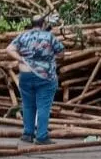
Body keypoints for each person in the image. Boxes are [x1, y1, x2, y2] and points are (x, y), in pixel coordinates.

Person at [5, 14, 65, 145]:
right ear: (43, 24)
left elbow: (9, 49)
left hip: (25, 74)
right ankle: (42, 136)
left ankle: (28, 133)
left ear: (32, 24)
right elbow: (61, 52)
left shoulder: (23, 35)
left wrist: (21, 59)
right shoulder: (49, 37)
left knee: (28, 105)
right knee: (43, 106)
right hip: (45, 76)